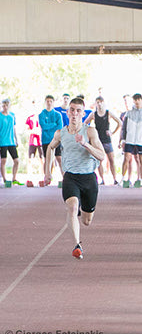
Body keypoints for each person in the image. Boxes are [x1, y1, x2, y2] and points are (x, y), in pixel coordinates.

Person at [44, 97, 105, 259]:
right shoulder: (61, 133)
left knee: (86, 220)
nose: (74, 114)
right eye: (72, 110)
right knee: (72, 207)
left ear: (83, 114)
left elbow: (102, 156)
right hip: (70, 177)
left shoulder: (90, 131)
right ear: (67, 112)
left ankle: (83, 216)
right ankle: (77, 245)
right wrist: (47, 171)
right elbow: (50, 148)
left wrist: (85, 144)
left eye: (78, 111)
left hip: (89, 179)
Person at [84, 96, 121, 185]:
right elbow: (84, 124)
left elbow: (119, 122)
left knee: (111, 159)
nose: (99, 104)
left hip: (107, 140)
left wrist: (112, 132)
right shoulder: (93, 114)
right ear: (95, 103)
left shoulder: (108, 113)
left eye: (101, 102)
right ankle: (102, 179)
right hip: (97, 140)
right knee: (99, 160)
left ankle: (115, 179)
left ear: (104, 103)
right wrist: (90, 133)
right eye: (97, 102)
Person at [0, 99, 21, 185]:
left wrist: (16, 139)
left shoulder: (12, 115)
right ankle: (4, 179)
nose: (5, 107)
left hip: (11, 141)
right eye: (3, 105)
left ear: (9, 106)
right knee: (3, 160)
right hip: (2, 142)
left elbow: (14, 128)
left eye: (7, 105)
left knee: (16, 160)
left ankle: (14, 178)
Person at [39, 95, 64, 184]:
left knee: (59, 158)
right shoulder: (41, 114)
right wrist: (53, 125)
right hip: (46, 140)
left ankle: (65, 177)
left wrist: (52, 126)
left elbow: (60, 127)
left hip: (57, 139)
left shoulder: (58, 115)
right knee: (47, 159)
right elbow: (44, 126)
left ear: (53, 102)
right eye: (47, 101)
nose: (49, 103)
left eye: (50, 101)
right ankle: (47, 177)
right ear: (45, 102)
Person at [119, 93, 142, 187]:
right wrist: (122, 139)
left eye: (138, 100)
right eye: (135, 100)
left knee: (140, 160)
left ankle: (139, 179)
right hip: (129, 139)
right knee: (126, 158)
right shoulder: (129, 113)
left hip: (140, 140)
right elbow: (123, 127)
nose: (136, 102)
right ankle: (123, 179)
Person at [25, 102, 43, 185]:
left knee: (42, 160)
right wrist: (34, 131)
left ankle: (42, 178)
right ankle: (29, 178)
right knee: (30, 160)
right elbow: (27, 130)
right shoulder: (29, 118)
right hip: (32, 141)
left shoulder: (42, 117)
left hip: (41, 141)